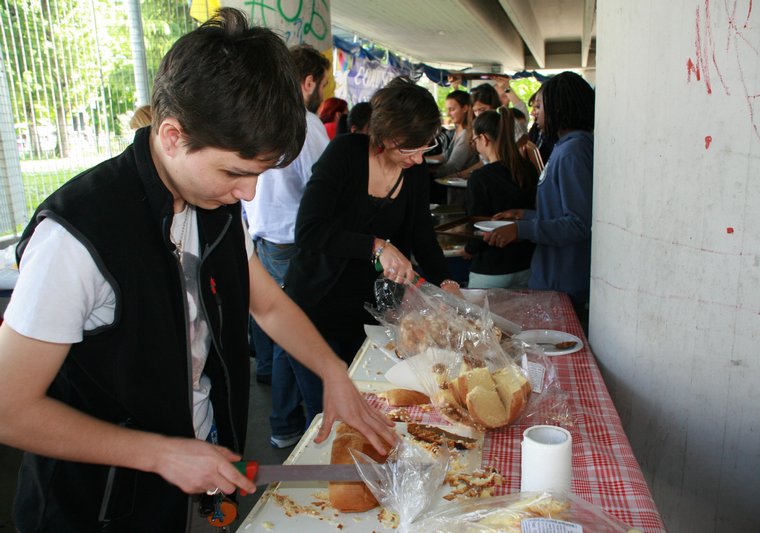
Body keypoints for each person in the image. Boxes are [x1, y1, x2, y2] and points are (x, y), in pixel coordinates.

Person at [0, 9, 395, 532]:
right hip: (98, 505)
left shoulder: (215, 205)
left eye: (257, 174)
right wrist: (161, 454)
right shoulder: (76, 237)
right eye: (235, 172)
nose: (248, 193)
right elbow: (9, 408)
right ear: (171, 135)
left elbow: (268, 303)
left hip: (199, 473)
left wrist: (331, 371)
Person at [280, 77, 461, 426]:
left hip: (370, 315)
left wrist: (446, 283)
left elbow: (423, 235)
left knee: (372, 405)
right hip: (316, 305)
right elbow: (308, 230)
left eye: (425, 148)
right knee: (325, 414)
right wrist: (376, 246)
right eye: (412, 149)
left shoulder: (414, 174)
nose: (420, 159)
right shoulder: (345, 154)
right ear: (389, 139)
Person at [242, 44, 331, 449]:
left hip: (262, 234)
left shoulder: (262, 117)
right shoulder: (305, 123)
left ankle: (283, 423)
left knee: (279, 328)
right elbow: (322, 187)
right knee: (292, 330)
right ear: (308, 81)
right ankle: (293, 422)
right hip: (290, 241)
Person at [484, 71, 594, 324]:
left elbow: (577, 223)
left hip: (563, 280)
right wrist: (524, 215)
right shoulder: (566, 147)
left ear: (559, 108)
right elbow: (560, 213)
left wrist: (521, 230)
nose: (534, 113)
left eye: (540, 106)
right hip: (553, 277)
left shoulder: (573, 152)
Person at [465, 107, 537, 289]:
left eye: (474, 139)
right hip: (526, 264)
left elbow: (477, 225)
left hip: (491, 268)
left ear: (483, 138)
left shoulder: (480, 177)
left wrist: (468, 249)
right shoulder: (527, 169)